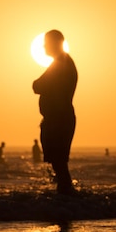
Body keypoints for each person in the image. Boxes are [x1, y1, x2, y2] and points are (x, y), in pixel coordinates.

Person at [33, 29, 78, 194]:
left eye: (46, 43)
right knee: (57, 163)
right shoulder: (60, 62)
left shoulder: (61, 63)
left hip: (59, 119)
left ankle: (66, 201)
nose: (44, 47)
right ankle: (65, 200)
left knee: (59, 163)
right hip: (57, 118)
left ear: (56, 43)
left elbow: (37, 85)